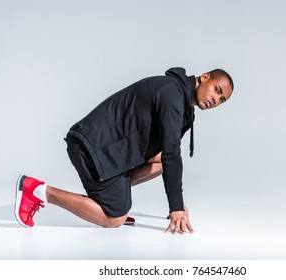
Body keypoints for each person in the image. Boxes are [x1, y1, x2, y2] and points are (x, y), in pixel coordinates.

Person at [15, 67, 234, 234]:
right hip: (91, 147)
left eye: (221, 100)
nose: (216, 99)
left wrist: (179, 201)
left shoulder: (186, 110)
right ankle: (36, 190)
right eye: (217, 90)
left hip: (110, 152)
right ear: (205, 77)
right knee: (115, 218)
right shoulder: (172, 94)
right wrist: (175, 205)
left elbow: (165, 156)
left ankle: (113, 196)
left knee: (160, 163)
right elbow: (172, 153)